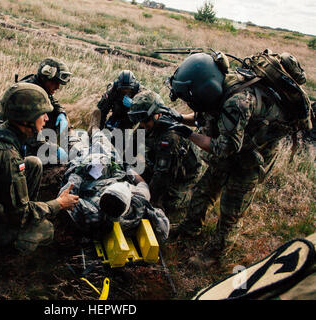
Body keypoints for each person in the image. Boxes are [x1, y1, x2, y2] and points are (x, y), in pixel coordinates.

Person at [163, 51, 310, 267]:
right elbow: (207, 113)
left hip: (254, 156)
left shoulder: (237, 102)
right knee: (205, 189)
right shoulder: (223, 89)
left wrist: (189, 135)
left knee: (232, 208)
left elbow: (225, 147)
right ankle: (190, 228)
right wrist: (180, 119)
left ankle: (215, 254)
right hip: (236, 140)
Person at [0, 83, 79, 254]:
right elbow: (20, 215)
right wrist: (58, 204)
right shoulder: (7, 156)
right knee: (45, 230)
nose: (46, 118)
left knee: (33, 163)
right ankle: (1, 253)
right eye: (42, 114)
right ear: (26, 119)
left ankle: (26, 209)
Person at [60, 129, 170, 244]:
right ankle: (94, 129)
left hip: (87, 172)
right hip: (113, 169)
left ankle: (73, 131)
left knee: (76, 144)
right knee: (100, 139)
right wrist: (128, 169)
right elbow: (142, 184)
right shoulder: (138, 204)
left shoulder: (92, 212)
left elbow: (65, 198)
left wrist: (79, 173)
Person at [127, 90, 202, 219]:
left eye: (145, 120)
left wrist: (147, 197)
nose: (143, 125)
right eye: (139, 121)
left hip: (181, 177)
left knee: (159, 205)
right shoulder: (145, 124)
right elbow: (130, 152)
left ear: (158, 114)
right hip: (159, 163)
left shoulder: (170, 136)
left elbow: (162, 178)